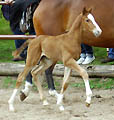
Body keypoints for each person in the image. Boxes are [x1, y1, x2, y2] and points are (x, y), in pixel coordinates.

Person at [4, 0, 57, 99]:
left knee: (37, 45)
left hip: (32, 8)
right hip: (26, 9)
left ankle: (45, 87)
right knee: (28, 44)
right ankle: (32, 84)